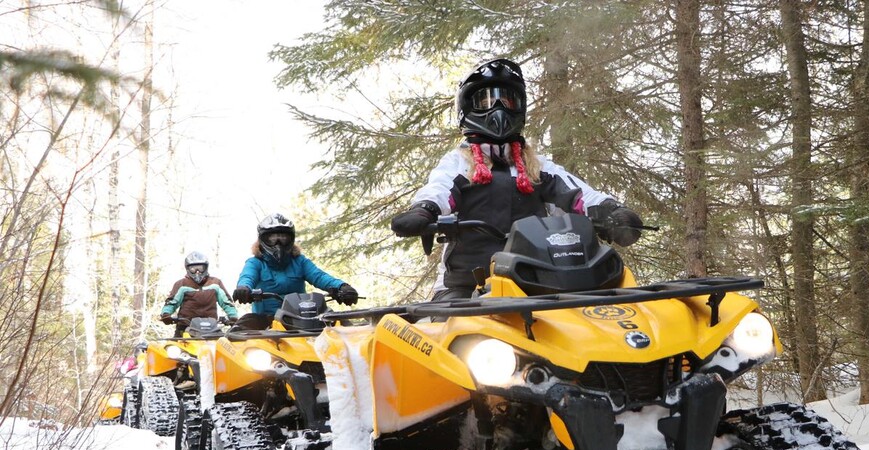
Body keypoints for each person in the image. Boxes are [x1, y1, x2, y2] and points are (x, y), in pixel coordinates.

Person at [390, 57, 643, 301]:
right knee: (446, 335)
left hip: (536, 282)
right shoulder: (459, 163)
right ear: (467, 107)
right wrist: (425, 210)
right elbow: (440, 188)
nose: (498, 109)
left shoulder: (536, 165)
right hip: (466, 286)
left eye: (507, 101)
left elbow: (577, 193)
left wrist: (611, 209)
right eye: (486, 100)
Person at [231, 213, 359, 330]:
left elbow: (319, 276)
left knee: (344, 326)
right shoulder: (255, 263)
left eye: (283, 238)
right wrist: (244, 288)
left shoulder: (300, 261)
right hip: (266, 319)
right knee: (239, 329)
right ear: (262, 240)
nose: (278, 243)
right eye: (272, 238)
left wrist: (342, 287)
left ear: (291, 239)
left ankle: (356, 354)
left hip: (303, 317)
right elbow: (247, 277)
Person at [160, 251, 238, 335]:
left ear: (206, 267)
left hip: (211, 329)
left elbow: (226, 302)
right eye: (193, 269)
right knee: (173, 347)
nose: (197, 272)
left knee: (223, 346)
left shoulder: (215, 283)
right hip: (186, 327)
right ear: (187, 269)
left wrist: (233, 316)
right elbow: (172, 302)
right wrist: (166, 314)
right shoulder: (181, 284)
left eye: (200, 268)